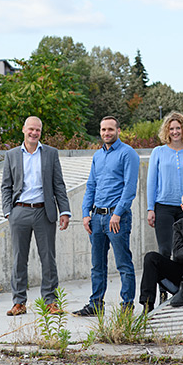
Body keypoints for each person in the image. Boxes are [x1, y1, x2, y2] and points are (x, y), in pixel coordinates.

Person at [1, 116, 71, 317]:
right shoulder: (12, 155)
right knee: (18, 259)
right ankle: (19, 302)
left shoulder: (50, 153)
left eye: (38, 130)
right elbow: (6, 185)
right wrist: (9, 212)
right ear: (23, 129)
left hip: (44, 211)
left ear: (41, 132)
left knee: (48, 258)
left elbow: (59, 184)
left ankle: (50, 301)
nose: (34, 133)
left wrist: (64, 211)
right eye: (31, 129)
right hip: (19, 211)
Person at [74, 116, 140, 316]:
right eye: (103, 130)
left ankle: (127, 306)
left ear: (118, 130)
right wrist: (86, 214)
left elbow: (129, 189)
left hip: (117, 218)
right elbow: (91, 186)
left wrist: (117, 214)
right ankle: (96, 305)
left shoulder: (128, 154)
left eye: (110, 129)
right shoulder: (98, 156)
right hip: (97, 218)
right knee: (97, 266)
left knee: (123, 264)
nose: (106, 133)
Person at [146, 112, 183, 303]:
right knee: (164, 250)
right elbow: (151, 181)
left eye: (178, 128)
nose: (175, 131)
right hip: (164, 207)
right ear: (166, 131)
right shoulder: (158, 152)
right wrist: (150, 208)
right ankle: (163, 290)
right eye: (171, 129)